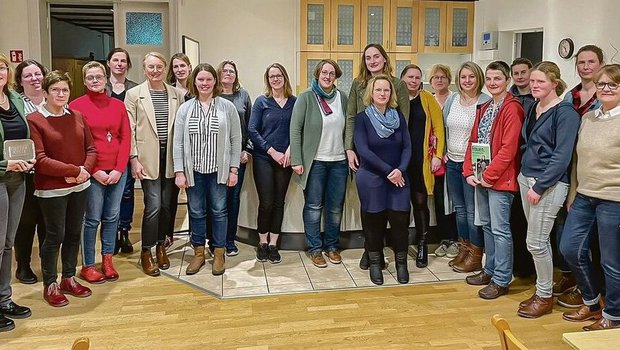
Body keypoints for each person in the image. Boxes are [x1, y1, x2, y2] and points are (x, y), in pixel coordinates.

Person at [27, 70, 97, 307]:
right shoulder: (35, 120)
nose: (60, 94)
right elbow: (40, 159)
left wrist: (84, 171)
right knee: (54, 235)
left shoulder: (77, 116)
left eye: (65, 90)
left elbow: (91, 149)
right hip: (52, 189)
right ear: (45, 93)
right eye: (55, 90)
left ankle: (68, 277)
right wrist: (74, 171)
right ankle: (50, 283)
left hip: (81, 185)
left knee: (74, 233)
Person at [559, 64, 620, 331]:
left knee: (611, 261)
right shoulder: (589, 118)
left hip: (613, 199)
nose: (606, 89)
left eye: (613, 85)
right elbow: (576, 160)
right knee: (570, 248)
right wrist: (573, 192)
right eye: (602, 84)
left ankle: (614, 315)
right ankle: (592, 302)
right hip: (584, 196)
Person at [516, 61, 579, 318]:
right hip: (526, 179)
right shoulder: (534, 107)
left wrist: (540, 186)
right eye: (532, 81)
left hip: (548, 185)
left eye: (540, 81)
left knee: (536, 242)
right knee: (536, 242)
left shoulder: (565, 113)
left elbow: (562, 156)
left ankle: (544, 297)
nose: (534, 85)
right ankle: (542, 289)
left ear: (555, 83)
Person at [344, 44, 409, 270]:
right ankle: (372, 250)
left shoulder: (397, 84)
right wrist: (349, 148)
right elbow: (351, 116)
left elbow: (403, 120)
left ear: (384, 59)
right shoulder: (358, 84)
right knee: (370, 206)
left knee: (392, 210)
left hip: (392, 154)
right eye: (368, 58)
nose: (372, 61)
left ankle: (380, 252)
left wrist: (397, 160)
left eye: (376, 57)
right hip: (367, 155)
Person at [173, 63, 241, 276]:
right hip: (194, 171)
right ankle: (199, 253)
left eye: (208, 79)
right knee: (196, 211)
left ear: (215, 82)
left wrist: (233, 169)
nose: (204, 83)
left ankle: (219, 253)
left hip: (218, 170)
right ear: (194, 82)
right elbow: (178, 143)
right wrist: (179, 171)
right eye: (200, 80)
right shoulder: (185, 108)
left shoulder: (226, 107)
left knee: (219, 211)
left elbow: (235, 139)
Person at [463, 61, 524, 300]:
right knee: (486, 225)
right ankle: (489, 270)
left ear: (507, 80)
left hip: (499, 181)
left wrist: (488, 176)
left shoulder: (512, 108)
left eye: (497, 79)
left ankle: (501, 279)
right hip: (481, 179)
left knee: (500, 230)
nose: (492, 83)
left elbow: (509, 149)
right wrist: (470, 171)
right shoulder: (486, 106)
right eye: (489, 79)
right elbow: (473, 140)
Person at [69, 61, 130, 283]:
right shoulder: (76, 106)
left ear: (106, 79)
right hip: (92, 172)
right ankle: (87, 264)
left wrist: (119, 169)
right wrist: (93, 171)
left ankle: (107, 259)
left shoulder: (118, 105)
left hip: (117, 171)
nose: (95, 81)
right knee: (92, 218)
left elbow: (125, 138)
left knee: (112, 217)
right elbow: (76, 143)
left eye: (99, 77)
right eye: (90, 77)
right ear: (84, 81)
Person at [125, 52, 185, 276]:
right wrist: (134, 158)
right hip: (146, 157)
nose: (155, 71)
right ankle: (146, 251)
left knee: (168, 205)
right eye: (151, 67)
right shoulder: (133, 94)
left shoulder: (176, 94)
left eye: (159, 67)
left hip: (170, 157)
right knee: (154, 206)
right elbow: (129, 129)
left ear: (165, 68)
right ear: (144, 69)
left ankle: (162, 245)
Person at [555, 44, 605, 309]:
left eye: (591, 62)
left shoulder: (606, 97)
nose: (586, 67)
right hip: (571, 168)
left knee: (595, 242)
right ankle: (574, 279)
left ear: (600, 64)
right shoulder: (569, 96)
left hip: (599, 178)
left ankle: (592, 291)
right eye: (581, 62)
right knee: (567, 234)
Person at [290, 59, 349, 268]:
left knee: (335, 208)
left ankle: (332, 247)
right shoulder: (306, 97)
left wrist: (349, 152)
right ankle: (315, 249)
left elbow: (348, 127)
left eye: (332, 73)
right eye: (324, 72)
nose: (327, 76)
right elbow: (295, 129)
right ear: (317, 74)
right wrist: (296, 159)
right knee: (314, 207)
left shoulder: (342, 97)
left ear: (336, 76)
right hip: (315, 163)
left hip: (339, 163)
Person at [353, 75, 411, 285]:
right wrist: (389, 171)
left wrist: (400, 170)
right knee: (374, 223)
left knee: (399, 221)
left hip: (399, 178)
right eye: (378, 90)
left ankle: (402, 264)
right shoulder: (362, 118)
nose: (383, 94)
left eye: (386, 90)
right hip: (372, 177)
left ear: (391, 94)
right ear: (372, 93)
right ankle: (375, 263)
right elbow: (363, 150)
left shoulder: (399, 117)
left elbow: (407, 147)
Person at [443, 62, 490, 273]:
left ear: (478, 78)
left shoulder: (485, 102)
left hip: (472, 166)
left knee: (473, 212)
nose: (467, 81)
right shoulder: (452, 99)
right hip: (452, 162)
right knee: (460, 210)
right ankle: (463, 250)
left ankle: (475, 254)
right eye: (463, 77)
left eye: (471, 76)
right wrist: (443, 150)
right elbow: (445, 127)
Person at [0, 53, 35, 331]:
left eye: (1, 67)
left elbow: (24, 136)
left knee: (9, 243)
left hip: (18, 178)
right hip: (1, 177)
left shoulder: (13, 99)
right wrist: (4, 164)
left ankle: (4, 299)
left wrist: (30, 157)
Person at [248, 63, 296, 264]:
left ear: (285, 77)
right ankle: (262, 242)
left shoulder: (295, 102)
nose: (275, 79)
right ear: (267, 80)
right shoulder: (262, 102)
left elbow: (298, 128)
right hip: (264, 158)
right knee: (266, 203)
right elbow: (252, 130)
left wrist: (290, 149)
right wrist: (272, 151)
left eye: (279, 75)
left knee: (279, 202)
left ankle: (274, 244)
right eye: (271, 77)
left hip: (286, 159)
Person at [400, 64, 445, 268]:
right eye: (410, 76)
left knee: (420, 203)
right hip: (400, 160)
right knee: (399, 205)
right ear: (402, 78)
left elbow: (438, 128)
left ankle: (422, 244)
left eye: (418, 77)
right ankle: (399, 244)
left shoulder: (428, 99)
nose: (414, 80)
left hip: (421, 160)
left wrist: (437, 155)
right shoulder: (395, 98)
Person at [12, 59, 48, 284]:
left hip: (50, 172)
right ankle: (23, 265)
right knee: (25, 221)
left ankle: (47, 262)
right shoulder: (15, 104)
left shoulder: (54, 99)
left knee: (48, 220)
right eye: (28, 76)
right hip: (24, 172)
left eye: (37, 74)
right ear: (20, 81)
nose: (34, 79)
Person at [216, 60, 252, 257]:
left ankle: (229, 240)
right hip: (215, 157)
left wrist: (247, 150)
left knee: (233, 199)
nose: (228, 74)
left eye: (232, 71)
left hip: (238, 156)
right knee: (216, 200)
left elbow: (251, 126)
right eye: (225, 71)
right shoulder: (212, 96)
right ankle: (215, 240)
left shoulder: (243, 96)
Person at [105, 48, 137, 255]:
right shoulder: (100, 85)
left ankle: (124, 231)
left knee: (127, 192)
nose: (119, 64)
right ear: (108, 63)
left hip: (128, 146)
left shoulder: (134, 89)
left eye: (123, 61)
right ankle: (110, 233)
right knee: (108, 194)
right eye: (115, 60)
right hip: (105, 149)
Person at [428, 64, 459, 259]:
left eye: (443, 77)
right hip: (435, 159)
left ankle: (457, 240)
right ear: (430, 81)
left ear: (449, 80)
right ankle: (444, 239)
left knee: (455, 201)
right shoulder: (428, 100)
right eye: (436, 77)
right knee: (439, 200)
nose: (439, 80)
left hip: (454, 157)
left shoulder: (456, 99)